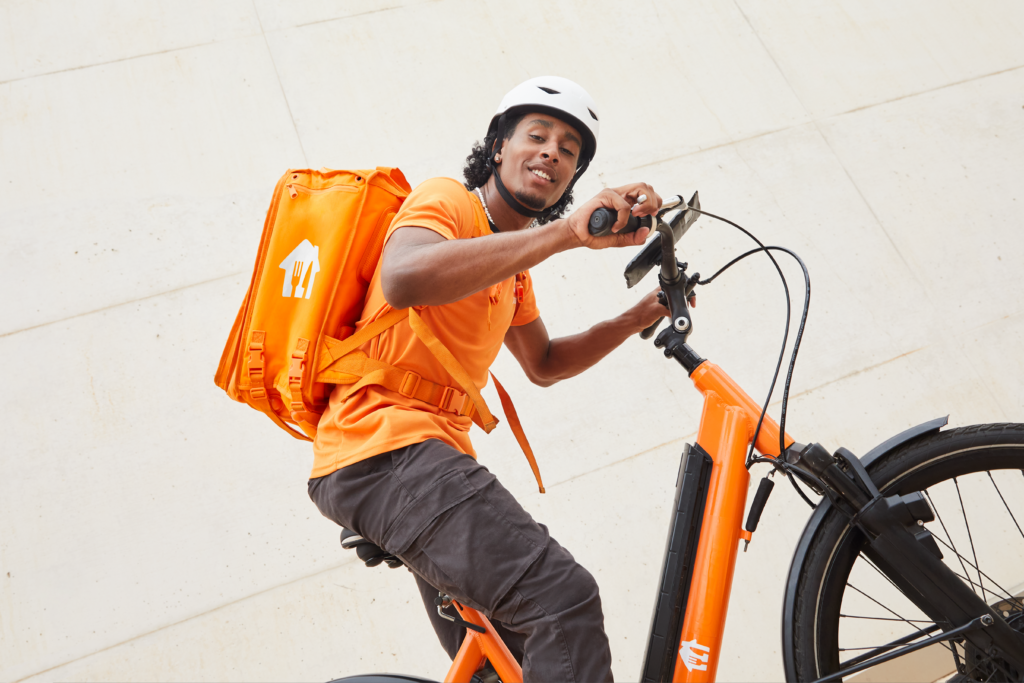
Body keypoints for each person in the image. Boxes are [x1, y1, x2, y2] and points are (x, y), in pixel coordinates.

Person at [307, 76, 671, 682]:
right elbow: (403, 277)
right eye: (538, 135)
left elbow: (545, 362)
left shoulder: (513, 268)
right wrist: (563, 235)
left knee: (507, 665)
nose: (553, 151)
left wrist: (637, 315)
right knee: (561, 599)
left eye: (570, 150)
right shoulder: (447, 199)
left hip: (418, 463)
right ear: (498, 147)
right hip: (384, 448)